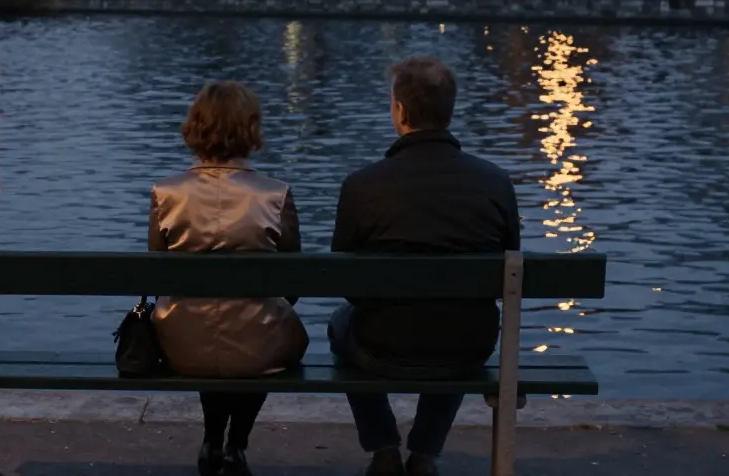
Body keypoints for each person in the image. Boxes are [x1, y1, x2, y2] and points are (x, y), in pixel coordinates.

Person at [329, 57, 521, 476]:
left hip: (380, 346)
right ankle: (425, 454)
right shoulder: (495, 182)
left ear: (399, 111)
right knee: (458, 315)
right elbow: (509, 269)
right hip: (467, 347)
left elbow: (346, 280)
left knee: (338, 326)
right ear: (448, 111)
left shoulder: (363, 185)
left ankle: (382, 447)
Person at [148, 81, 309, 476]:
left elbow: (156, 272)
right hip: (259, 345)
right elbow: (294, 282)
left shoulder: (166, 193)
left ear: (196, 126)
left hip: (180, 344)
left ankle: (210, 440)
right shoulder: (276, 194)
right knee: (258, 327)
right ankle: (236, 445)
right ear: (250, 129)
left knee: (201, 321)